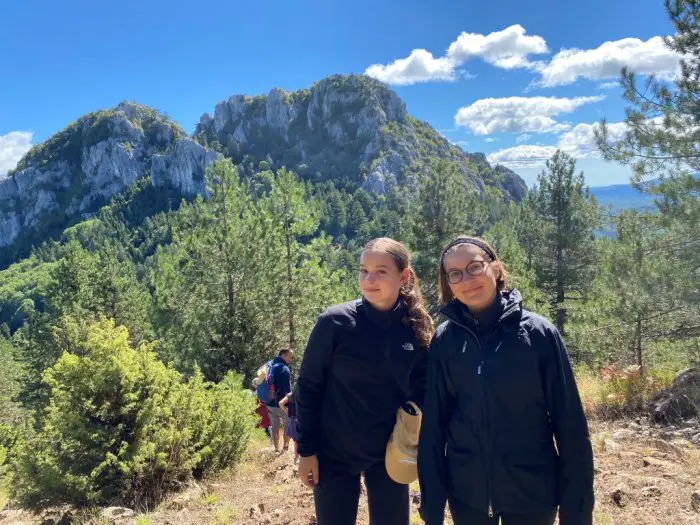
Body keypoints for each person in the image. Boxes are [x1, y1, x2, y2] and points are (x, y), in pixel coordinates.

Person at [418, 236, 594, 525]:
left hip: (532, 493)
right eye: (455, 274)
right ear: (448, 284)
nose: (467, 279)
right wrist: (432, 506)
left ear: (496, 269)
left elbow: (570, 424)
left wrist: (577, 510)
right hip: (467, 495)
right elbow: (435, 426)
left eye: (475, 267)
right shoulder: (445, 340)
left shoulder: (538, 334)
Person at [296, 237, 433, 525]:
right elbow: (308, 388)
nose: (369, 279)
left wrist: (411, 427)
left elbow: (422, 388)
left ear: (403, 276)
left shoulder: (414, 329)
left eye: (381, 271)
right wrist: (307, 450)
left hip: (390, 455)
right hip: (333, 454)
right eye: (363, 270)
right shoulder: (334, 323)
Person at [267, 348, 294, 454]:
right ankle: (285, 450)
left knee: (275, 426)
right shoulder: (284, 369)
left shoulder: (270, 364)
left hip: (269, 403)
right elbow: (287, 390)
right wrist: (290, 403)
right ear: (283, 355)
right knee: (288, 424)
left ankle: (276, 449)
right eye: (290, 357)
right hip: (281, 404)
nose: (290, 360)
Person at [279, 390, 299, 464]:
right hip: (304, 418)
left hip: (293, 418)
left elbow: (281, 403)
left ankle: (296, 458)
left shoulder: (290, 395)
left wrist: (287, 411)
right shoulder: (307, 393)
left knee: (296, 440)